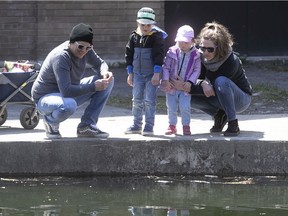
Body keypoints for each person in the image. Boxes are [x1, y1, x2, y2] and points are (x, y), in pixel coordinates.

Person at [31, 23, 114, 139]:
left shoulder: (87, 49)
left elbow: (100, 64)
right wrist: (93, 86)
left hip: (67, 94)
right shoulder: (61, 56)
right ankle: (50, 121)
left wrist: (104, 72)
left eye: (88, 48)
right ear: (71, 42)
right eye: (80, 47)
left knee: (108, 81)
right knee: (69, 105)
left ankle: (87, 126)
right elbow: (66, 91)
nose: (84, 51)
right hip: (45, 99)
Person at [172, 21, 253, 136]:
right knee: (184, 95)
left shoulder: (231, 61)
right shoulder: (200, 56)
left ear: (219, 48)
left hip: (241, 99)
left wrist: (187, 86)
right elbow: (197, 79)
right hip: (217, 94)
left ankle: (233, 123)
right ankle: (219, 115)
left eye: (210, 49)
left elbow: (217, 88)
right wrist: (202, 83)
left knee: (221, 81)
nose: (205, 52)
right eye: (202, 48)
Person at [124, 7, 166, 136]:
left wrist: (157, 73)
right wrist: (130, 73)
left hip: (151, 75)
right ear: (138, 23)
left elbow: (158, 55)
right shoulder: (134, 36)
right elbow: (129, 55)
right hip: (137, 74)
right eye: (143, 25)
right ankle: (136, 125)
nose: (145, 27)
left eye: (148, 25)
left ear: (153, 24)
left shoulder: (156, 37)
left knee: (150, 101)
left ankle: (149, 126)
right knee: (136, 100)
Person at [161, 25, 201, 136]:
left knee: (185, 107)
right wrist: (166, 80)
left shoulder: (196, 55)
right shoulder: (172, 52)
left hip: (185, 87)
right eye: (180, 42)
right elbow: (166, 67)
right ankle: (172, 125)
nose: (183, 45)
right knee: (171, 106)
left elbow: (197, 70)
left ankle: (186, 125)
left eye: (186, 42)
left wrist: (190, 82)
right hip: (171, 86)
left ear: (192, 41)